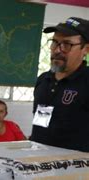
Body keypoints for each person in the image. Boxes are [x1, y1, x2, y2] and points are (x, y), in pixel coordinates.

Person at [31, 17, 89, 152]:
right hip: (38, 163)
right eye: (55, 43)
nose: (57, 50)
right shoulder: (43, 80)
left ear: (85, 49)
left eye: (67, 45)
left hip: (75, 169)